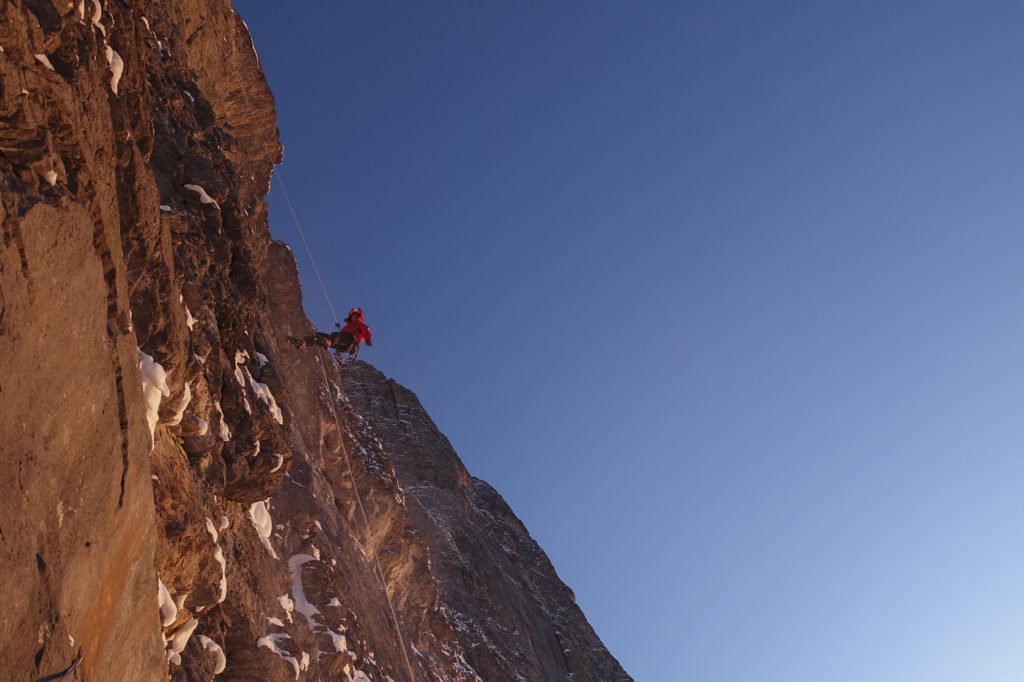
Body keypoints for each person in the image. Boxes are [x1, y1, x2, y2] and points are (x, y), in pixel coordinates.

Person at [288, 307, 373, 364]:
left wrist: (368, 340)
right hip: (343, 345)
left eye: (356, 315)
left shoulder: (360, 324)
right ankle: (304, 342)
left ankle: (327, 342)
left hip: (351, 341)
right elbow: (341, 336)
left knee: (335, 336)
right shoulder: (346, 327)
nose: (354, 317)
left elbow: (366, 330)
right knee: (320, 336)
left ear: (359, 316)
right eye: (352, 315)